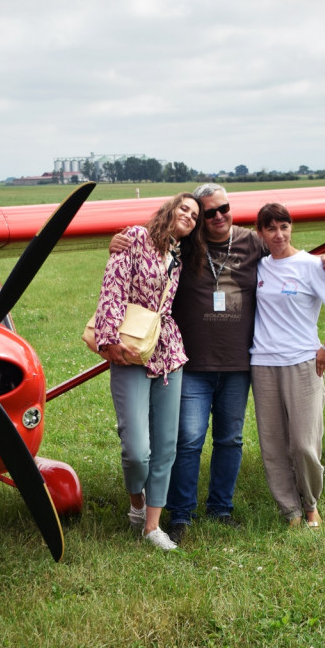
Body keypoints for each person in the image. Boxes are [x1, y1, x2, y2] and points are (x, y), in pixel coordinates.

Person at [110, 183, 325, 544]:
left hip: (239, 363)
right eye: (209, 212)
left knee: (230, 439)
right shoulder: (186, 244)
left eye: (224, 209)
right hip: (194, 363)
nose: (218, 216)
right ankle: (181, 513)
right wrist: (119, 242)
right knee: (188, 439)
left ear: (232, 209)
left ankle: (221, 508)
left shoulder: (253, 241)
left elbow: (287, 250)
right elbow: (152, 242)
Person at [90, 192, 205, 550]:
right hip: (130, 349)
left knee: (166, 445)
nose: (188, 215)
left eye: (195, 215)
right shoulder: (135, 238)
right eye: (184, 208)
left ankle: (152, 527)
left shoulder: (180, 255)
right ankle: (136, 502)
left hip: (169, 351)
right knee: (136, 449)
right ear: (169, 210)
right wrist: (107, 340)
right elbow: (113, 288)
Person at [249, 202, 325, 529]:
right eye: (271, 228)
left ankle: (310, 505)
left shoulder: (312, 265)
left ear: (291, 228)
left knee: (304, 443)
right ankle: (290, 511)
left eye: (284, 227)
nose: (278, 235)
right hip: (263, 364)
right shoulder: (259, 266)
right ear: (260, 233)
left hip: (303, 363)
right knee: (273, 444)